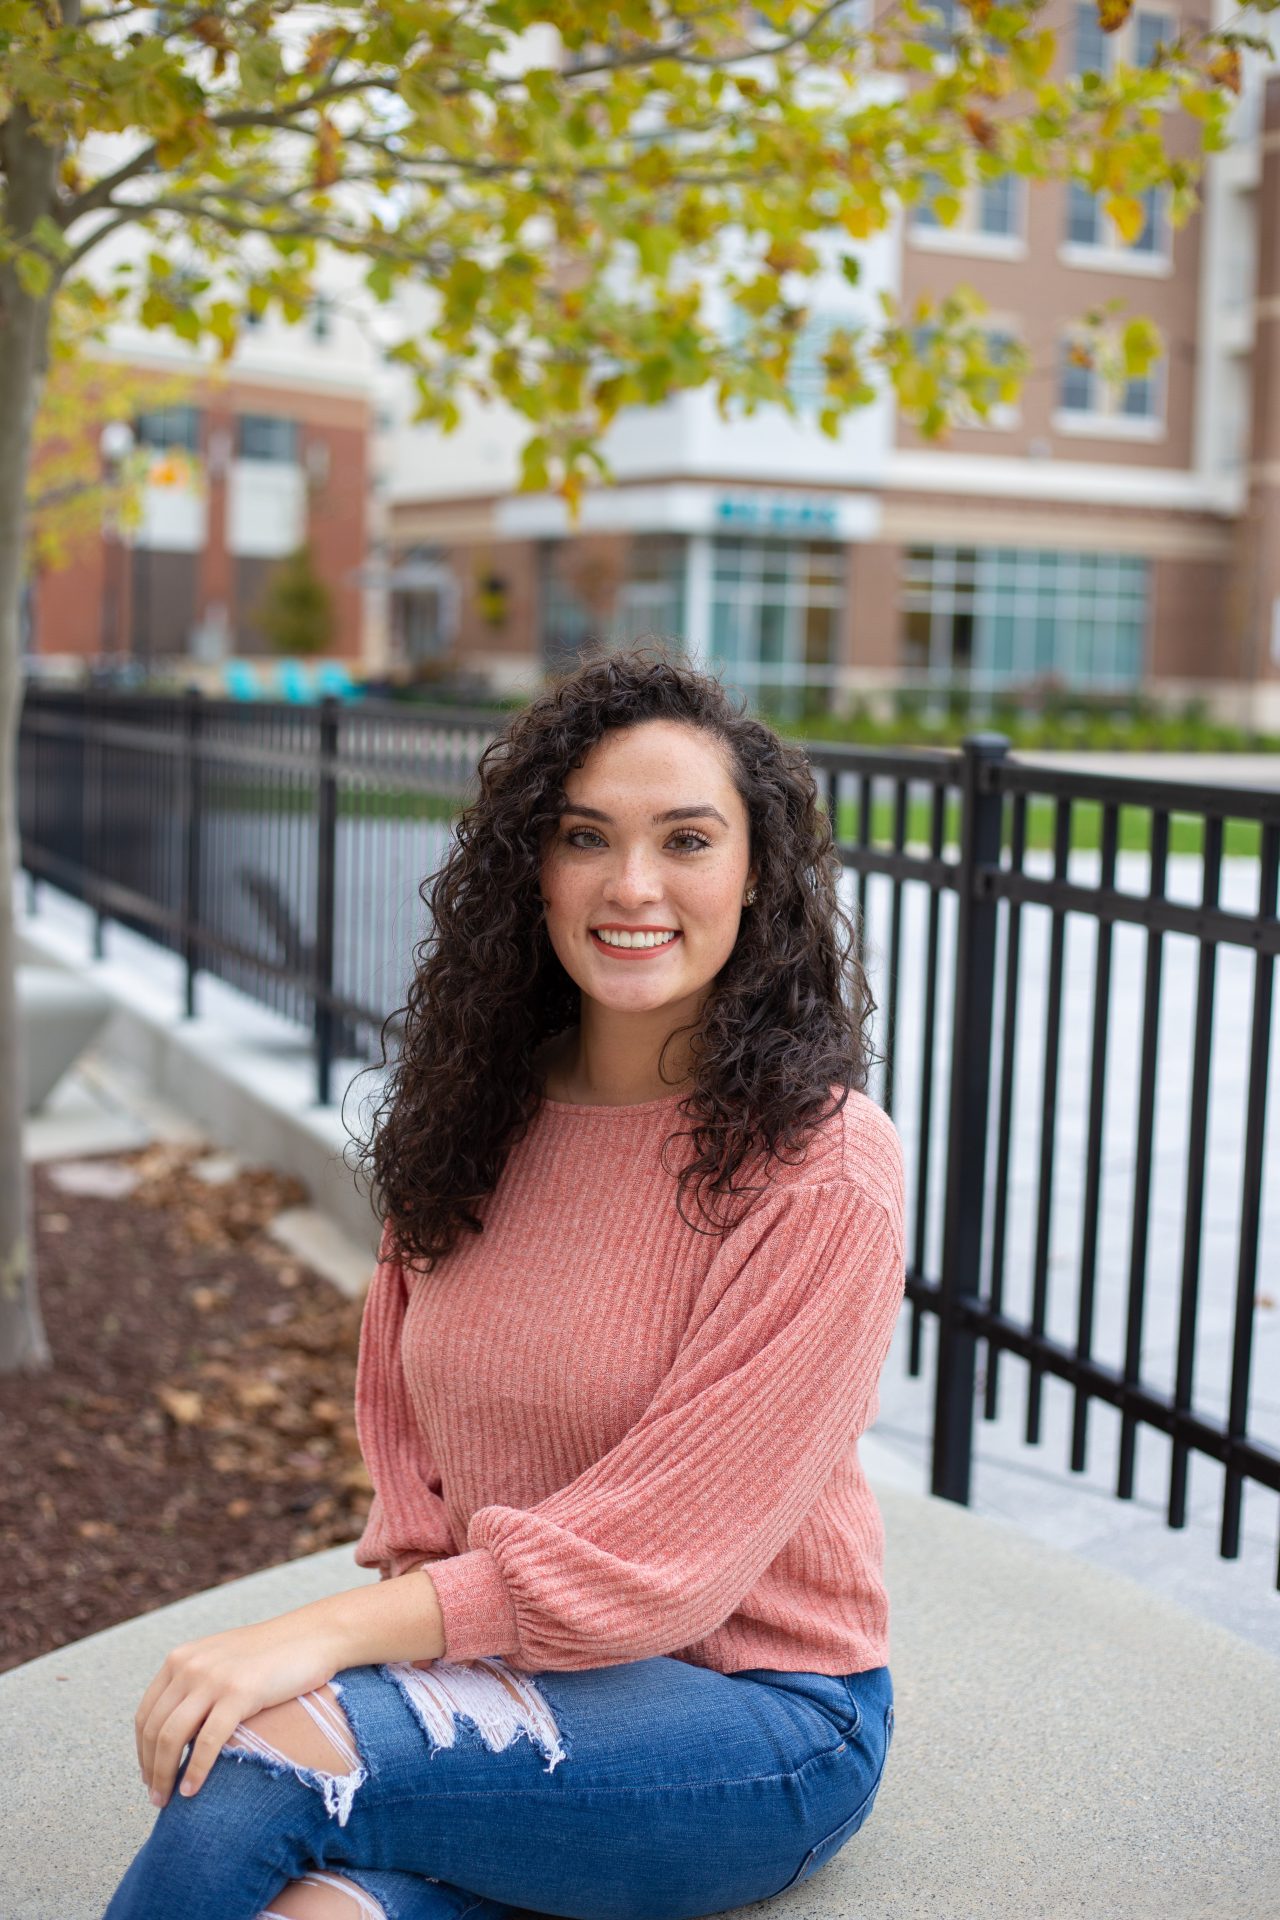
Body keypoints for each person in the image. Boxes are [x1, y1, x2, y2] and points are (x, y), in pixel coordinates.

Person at [105, 645, 905, 1920]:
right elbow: (415, 1446)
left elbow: (664, 1560)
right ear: (531, 869)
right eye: (585, 835)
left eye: (686, 840)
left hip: (758, 1719)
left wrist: (320, 1646)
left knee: (255, 1764)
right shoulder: (475, 1116)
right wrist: (410, 1684)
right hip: (527, 1679)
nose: (631, 884)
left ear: (756, 879)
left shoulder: (818, 1165)